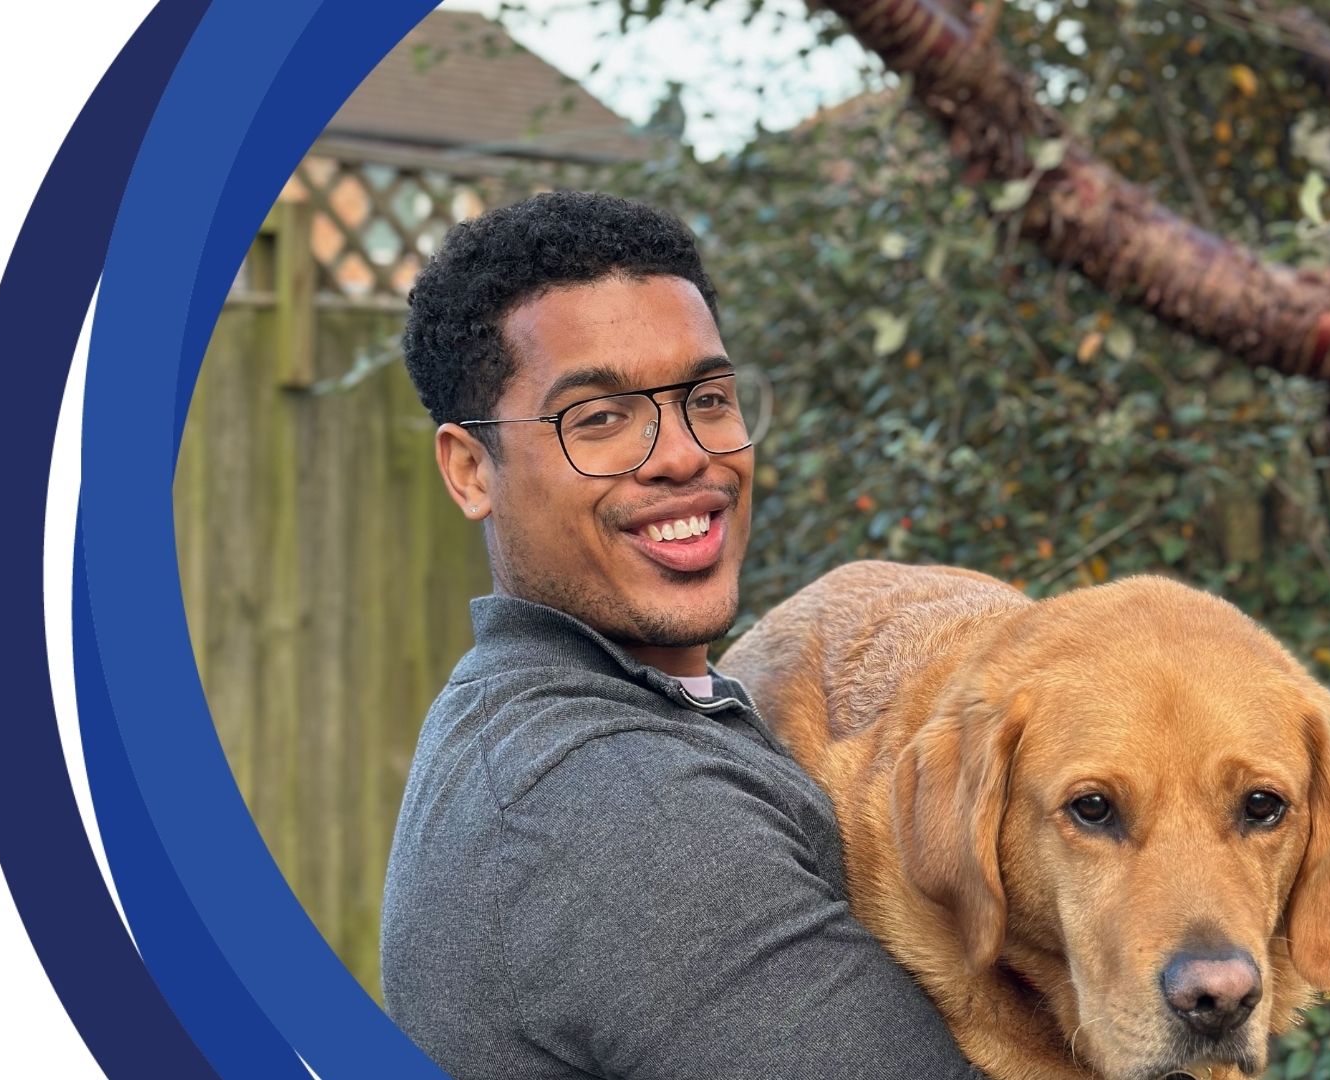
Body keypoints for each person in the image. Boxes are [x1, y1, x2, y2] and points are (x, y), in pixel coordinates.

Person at [380, 192, 982, 1080]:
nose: (682, 454)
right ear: (471, 470)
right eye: (599, 418)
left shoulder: (565, 720)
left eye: (707, 397)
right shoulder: (618, 807)